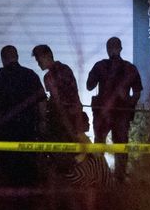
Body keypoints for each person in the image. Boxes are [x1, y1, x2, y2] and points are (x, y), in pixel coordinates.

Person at [86, 37, 142, 181]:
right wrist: (127, 101)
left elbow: (89, 86)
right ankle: (119, 178)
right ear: (120, 49)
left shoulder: (101, 66)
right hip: (120, 114)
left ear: (108, 49)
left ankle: (100, 176)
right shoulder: (130, 68)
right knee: (120, 147)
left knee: (100, 146)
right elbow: (137, 93)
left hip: (105, 114)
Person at [0, 45, 46, 142]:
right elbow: (41, 100)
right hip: (27, 127)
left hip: (4, 128)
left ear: (2, 59)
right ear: (17, 57)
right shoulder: (30, 75)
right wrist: (42, 121)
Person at [32, 45, 88, 142]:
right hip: (70, 118)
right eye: (37, 61)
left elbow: (60, 99)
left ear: (47, 56)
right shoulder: (63, 70)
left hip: (67, 120)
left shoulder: (53, 74)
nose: (38, 63)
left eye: (39, 59)